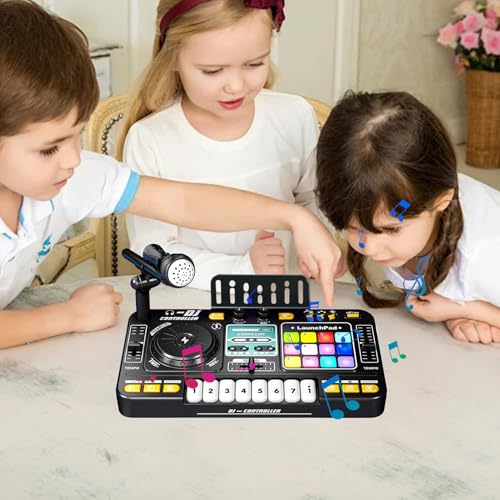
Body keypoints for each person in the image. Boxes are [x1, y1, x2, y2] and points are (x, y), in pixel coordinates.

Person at [0, 0, 341, 349]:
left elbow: (185, 202)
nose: (74, 158)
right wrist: (68, 316)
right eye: (49, 149)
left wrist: (295, 217)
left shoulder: (78, 177)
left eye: (77, 135)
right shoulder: (143, 141)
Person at [119, 0, 326, 290]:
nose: (236, 86)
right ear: (172, 58)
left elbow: (314, 200)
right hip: (192, 301)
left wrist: (320, 246)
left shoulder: (294, 116)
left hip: (287, 296)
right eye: (213, 70)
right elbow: (153, 249)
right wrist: (242, 270)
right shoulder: (150, 139)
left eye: (255, 64)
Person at [315, 90, 500, 344]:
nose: (369, 247)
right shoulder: (405, 200)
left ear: (441, 201)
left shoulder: (485, 255)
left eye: (391, 229)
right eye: (352, 227)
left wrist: (464, 309)